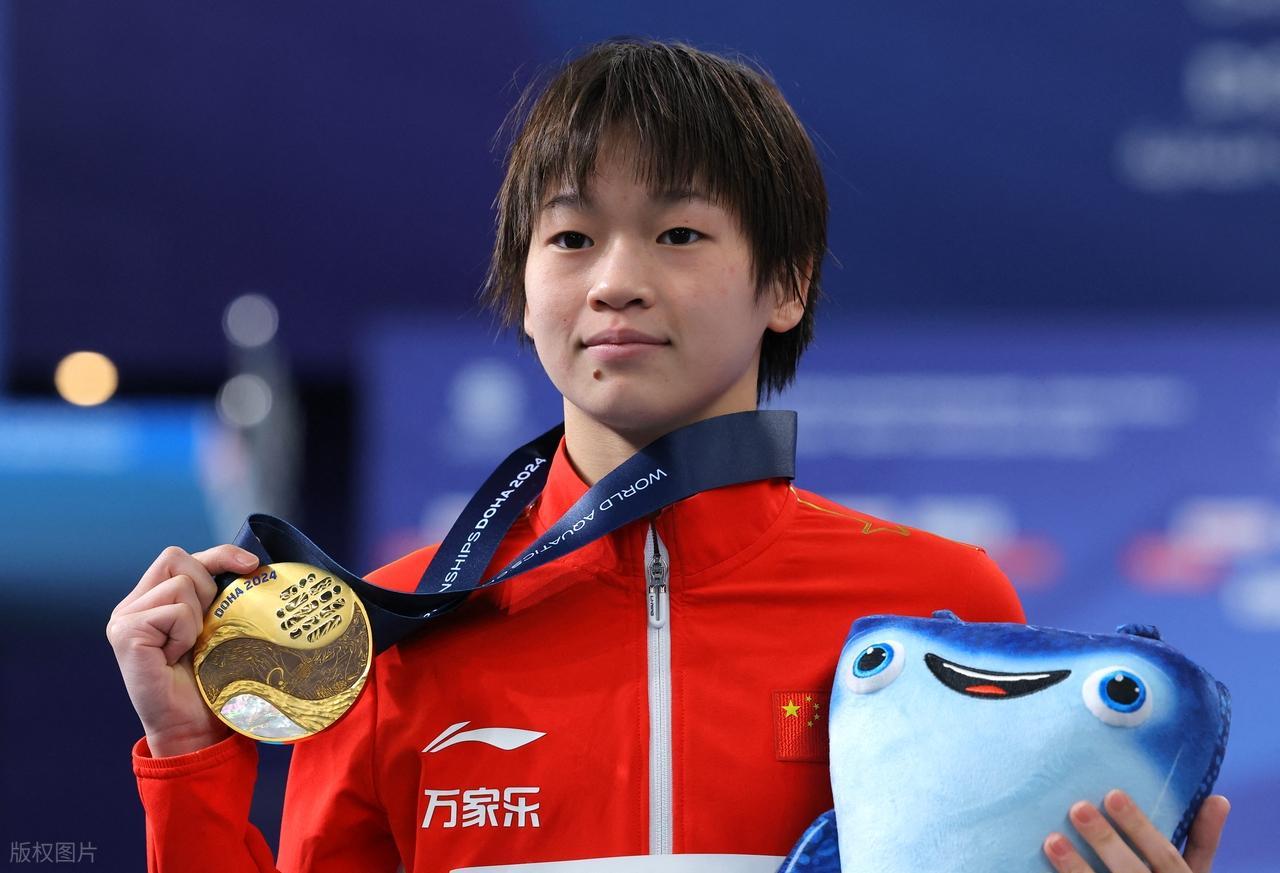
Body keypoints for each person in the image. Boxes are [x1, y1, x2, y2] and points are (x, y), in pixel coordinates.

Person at [107, 38, 1228, 873]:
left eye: (678, 233)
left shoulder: (936, 606)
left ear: (785, 285)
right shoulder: (393, 636)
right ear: (523, 290)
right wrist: (189, 757)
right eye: (571, 237)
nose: (615, 282)